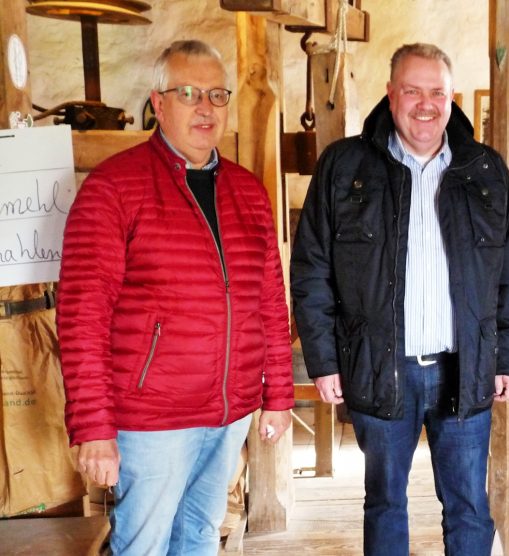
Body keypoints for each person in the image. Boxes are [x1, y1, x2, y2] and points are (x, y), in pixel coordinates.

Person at [290, 43, 509, 556]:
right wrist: (324, 360)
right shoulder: (344, 166)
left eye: (437, 92)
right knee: (384, 502)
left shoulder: (485, 171)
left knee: (469, 503)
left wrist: (508, 357)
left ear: (452, 98)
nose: (426, 104)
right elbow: (311, 270)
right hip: (377, 365)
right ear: (390, 94)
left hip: (463, 366)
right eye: (413, 91)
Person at [57, 39, 294, 555]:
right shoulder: (112, 190)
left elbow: (270, 305)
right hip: (152, 421)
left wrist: (277, 395)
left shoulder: (250, 193)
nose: (205, 107)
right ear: (158, 104)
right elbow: (82, 319)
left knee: (200, 538)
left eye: (216, 94)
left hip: (229, 414)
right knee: (143, 545)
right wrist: (93, 427)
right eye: (188, 93)